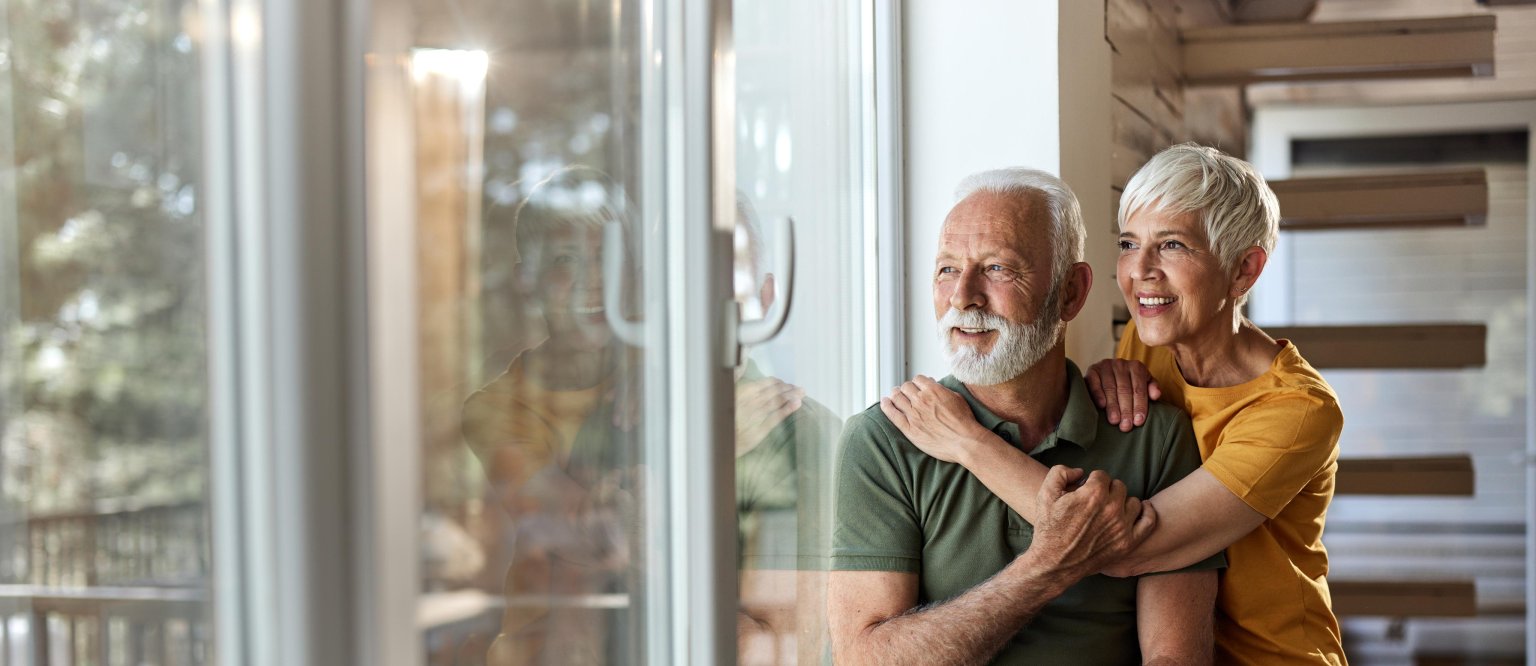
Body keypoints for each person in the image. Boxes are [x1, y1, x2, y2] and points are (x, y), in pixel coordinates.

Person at [882, 145, 1346, 664]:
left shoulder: (1298, 409)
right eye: (1129, 243)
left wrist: (967, 442)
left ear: (1243, 269)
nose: (1140, 271)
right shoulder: (1149, 342)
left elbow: (1126, 547)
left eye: (1172, 245)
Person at [829, 168, 1223, 665]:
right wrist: (1046, 568)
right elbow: (863, 656)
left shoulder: (1154, 436)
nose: (963, 297)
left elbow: (1177, 658)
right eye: (947, 269)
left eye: (997, 268)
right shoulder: (883, 441)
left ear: (1070, 292)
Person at [462, 169, 840, 664]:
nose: (593, 280)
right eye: (565, 261)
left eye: (606, 259)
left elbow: (782, 647)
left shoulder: (795, 435)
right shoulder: (596, 413)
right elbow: (593, 549)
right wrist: (706, 441)